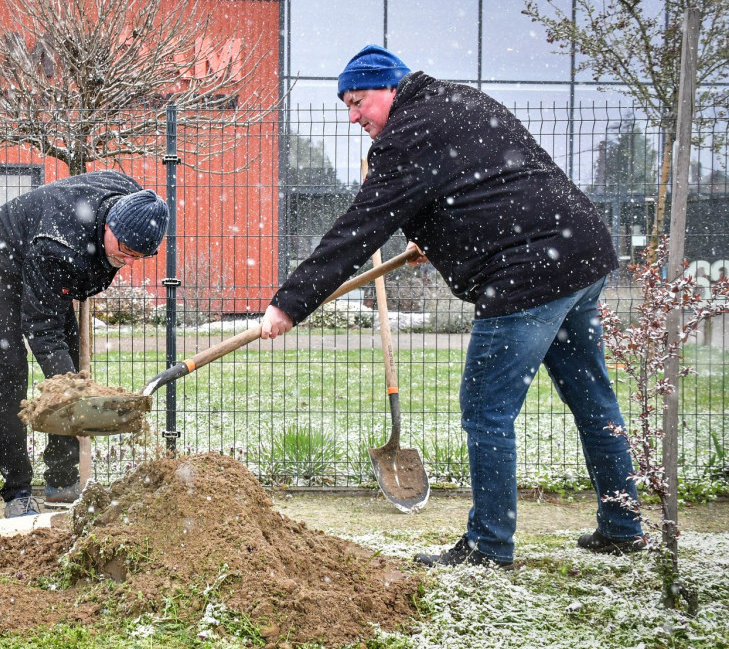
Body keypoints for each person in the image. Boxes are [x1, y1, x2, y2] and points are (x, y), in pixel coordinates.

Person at [260, 44, 644, 569]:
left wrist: (289, 304)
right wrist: (435, 240)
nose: (353, 116)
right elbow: (490, 183)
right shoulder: (457, 100)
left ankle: (489, 547)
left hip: (527, 274)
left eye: (359, 101)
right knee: (593, 400)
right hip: (580, 250)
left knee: (487, 410)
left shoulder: (408, 134)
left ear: (391, 89)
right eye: (346, 106)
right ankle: (624, 526)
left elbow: (359, 227)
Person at [0, 172, 168, 518]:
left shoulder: (137, 204)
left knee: (69, 364)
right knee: (13, 370)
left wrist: (74, 383)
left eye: (140, 256)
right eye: (126, 252)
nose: (130, 262)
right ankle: (17, 491)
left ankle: (61, 478)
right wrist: (78, 393)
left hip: (50, 268)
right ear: (109, 228)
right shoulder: (58, 245)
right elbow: (42, 328)